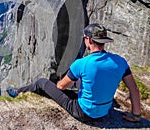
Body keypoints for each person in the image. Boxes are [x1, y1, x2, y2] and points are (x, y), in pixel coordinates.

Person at [7, 23, 141, 123]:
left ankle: (18, 92)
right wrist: (135, 115)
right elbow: (134, 89)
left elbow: (61, 87)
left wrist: (58, 83)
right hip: (104, 112)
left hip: (83, 112)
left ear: (88, 40)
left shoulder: (82, 63)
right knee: (77, 89)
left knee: (42, 82)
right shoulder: (120, 62)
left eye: (84, 38)